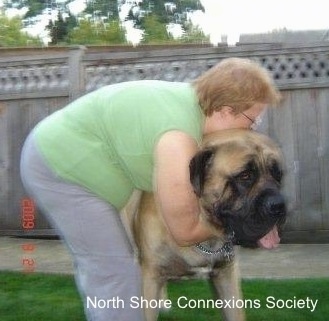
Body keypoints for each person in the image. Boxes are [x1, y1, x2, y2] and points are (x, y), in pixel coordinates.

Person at [20, 57, 281, 321]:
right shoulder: (178, 137)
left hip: (67, 160)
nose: (251, 130)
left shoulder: (189, 110)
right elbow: (184, 231)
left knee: (114, 270)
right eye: (253, 120)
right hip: (59, 165)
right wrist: (248, 225)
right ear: (227, 110)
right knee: (115, 273)